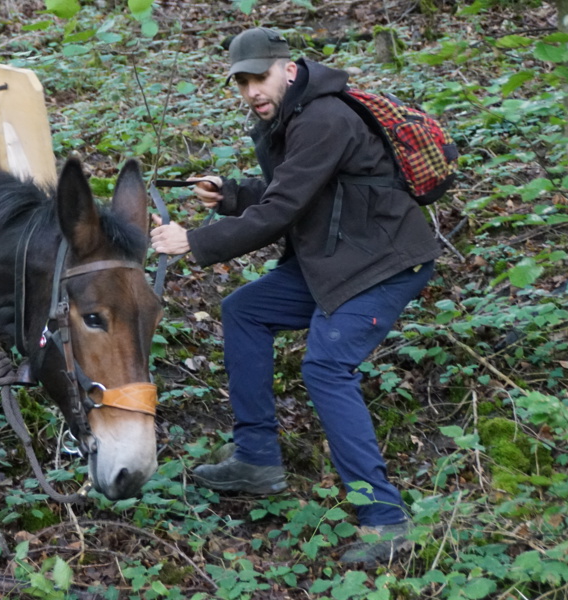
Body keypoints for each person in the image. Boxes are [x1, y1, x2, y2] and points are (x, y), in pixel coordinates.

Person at [150, 27, 441, 564]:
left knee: (326, 368)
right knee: (245, 311)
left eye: (258, 77)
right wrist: (232, 195)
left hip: (385, 264)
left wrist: (194, 240)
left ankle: (386, 522)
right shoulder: (294, 116)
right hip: (338, 258)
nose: (250, 91)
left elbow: (283, 210)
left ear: (287, 68)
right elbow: (302, 192)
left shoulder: (324, 118)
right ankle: (257, 457)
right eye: (241, 83)